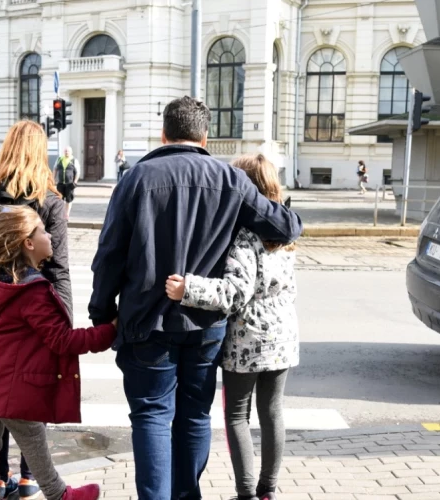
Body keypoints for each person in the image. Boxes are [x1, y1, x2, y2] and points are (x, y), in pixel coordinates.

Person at [88, 96, 302, 500]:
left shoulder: (135, 179)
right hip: (205, 325)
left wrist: (103, 312)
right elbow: (286, 228)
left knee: (152, 416)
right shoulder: (231, 180)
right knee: (194, 416)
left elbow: (110, 255)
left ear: (164, 133)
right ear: (205, 136)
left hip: (146, 322)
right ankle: (187, 495)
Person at [0, 206, 117, 500]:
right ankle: (60, 495)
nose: (50, 236)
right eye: (43, 231)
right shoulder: (31, 291)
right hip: (5, 384)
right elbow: (63, 341)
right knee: (31, 437)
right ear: (28, 243)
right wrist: (111, 330)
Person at [165, 153, 299, 500]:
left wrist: (188, 289)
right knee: (272, 413)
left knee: (237, 416)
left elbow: (234, 293)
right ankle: (268, 489)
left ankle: (245, 493)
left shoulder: (245, 235)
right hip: (283, 338)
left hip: (247, 340)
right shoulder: (286, 235)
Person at [0, 120, 73, 500]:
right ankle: (27, 477)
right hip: (35, 316)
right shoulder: (49, 202)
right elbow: (60, 270)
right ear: (42, 154)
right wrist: (64, 325)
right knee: (27, 392)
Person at [53, 147, 79, 218]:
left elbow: (77, 172)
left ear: (71, 152)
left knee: (69, 199)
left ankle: (67, 215)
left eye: (68, 151)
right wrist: (53, 179)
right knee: (59, 199)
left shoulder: (74, 160)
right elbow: (55, 169)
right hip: (60, 183)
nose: (66, 152)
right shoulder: (59, 159)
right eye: (65, 151)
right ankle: (60, 214)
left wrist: (75, 181)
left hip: (70, 184)